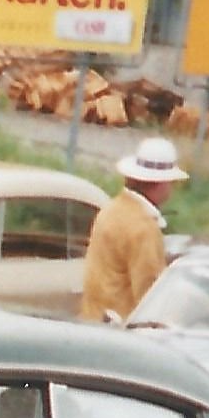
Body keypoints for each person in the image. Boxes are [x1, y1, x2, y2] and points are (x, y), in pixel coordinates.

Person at [80, 137, 186, 323]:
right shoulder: (143, 228)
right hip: (121, 330)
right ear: (161, 183)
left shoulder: (110, 210)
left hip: (92, 321)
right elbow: (149, 296)